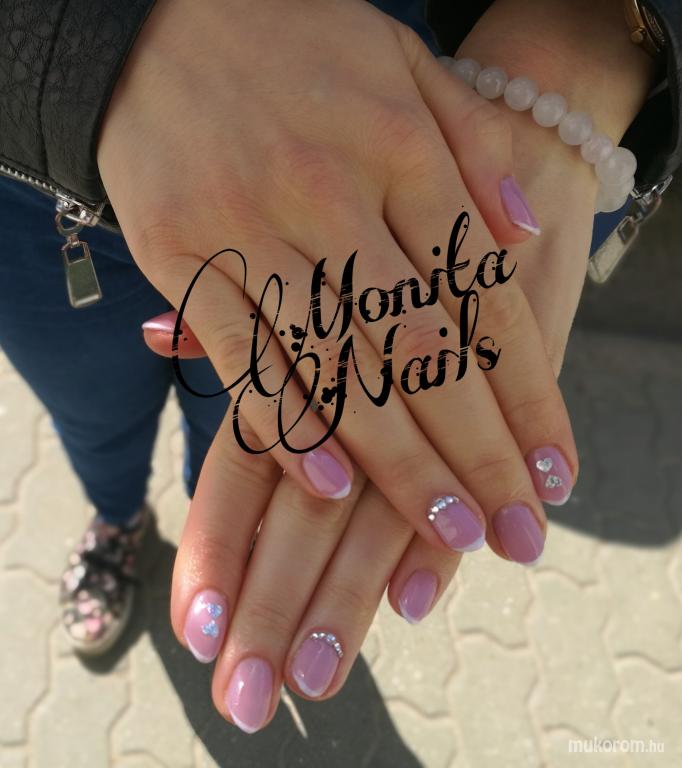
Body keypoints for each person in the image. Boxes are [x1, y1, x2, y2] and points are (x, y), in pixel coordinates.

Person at [0, 0, 678, 735]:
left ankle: (210, 518)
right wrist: (101, 33)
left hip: (394, 129)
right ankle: (118, 521)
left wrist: (575, 45)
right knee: (93, 415)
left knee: (275, 435)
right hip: (31, 177)